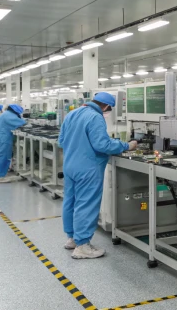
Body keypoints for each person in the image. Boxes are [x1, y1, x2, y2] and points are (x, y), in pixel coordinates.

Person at [59, 92, 137, 259]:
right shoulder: (95, 117)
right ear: (106, 107)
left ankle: (72, 239)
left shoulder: (72, 113)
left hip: (70, 165)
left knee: (70, 202)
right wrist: (126, 145)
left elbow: (61, 140)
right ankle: (83, 246)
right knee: (86, 204)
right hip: (88, 168)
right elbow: (102, 144)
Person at [0, 104, 27, 183]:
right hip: (3, 137)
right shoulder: (9, 115)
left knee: (0, 155)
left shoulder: (6, 114)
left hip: (0, 136)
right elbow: (22, 123)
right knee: (4, 156)